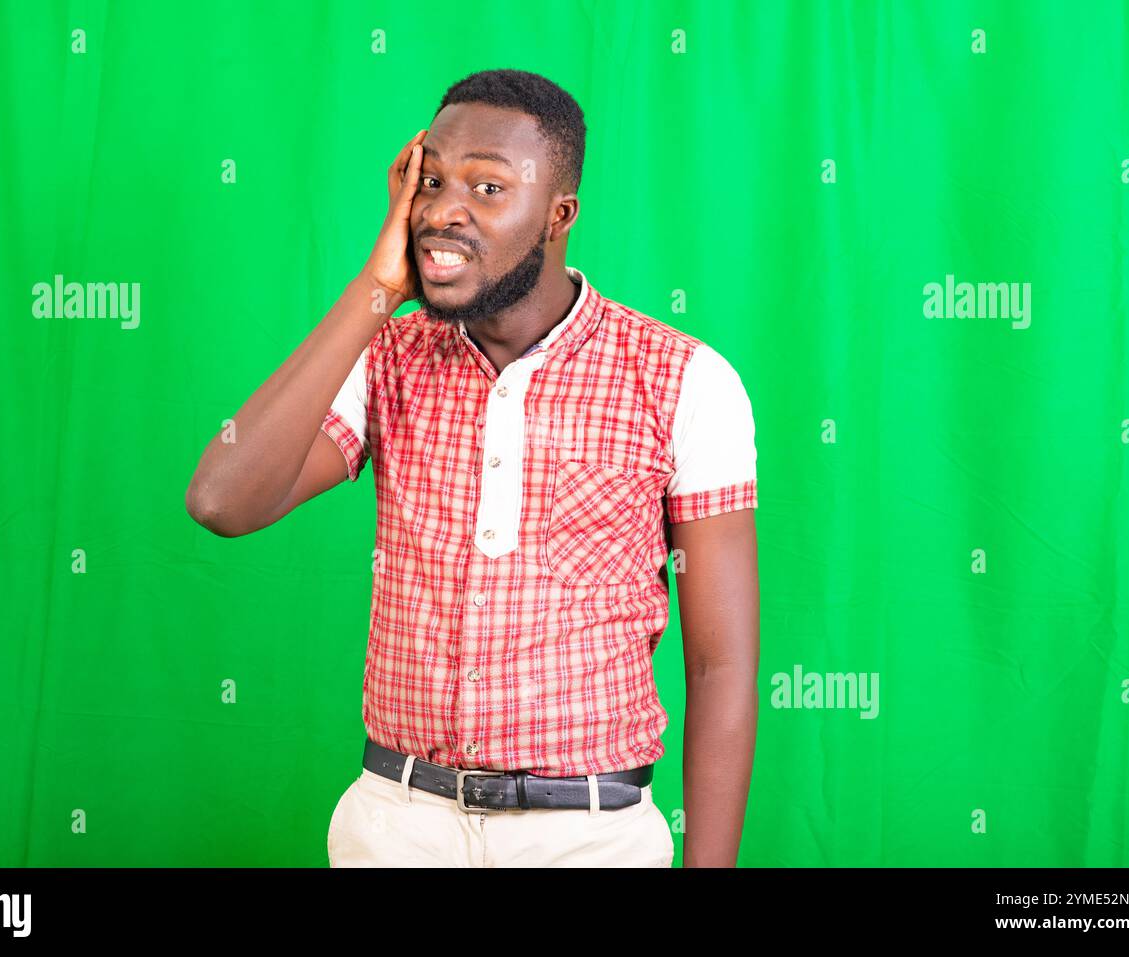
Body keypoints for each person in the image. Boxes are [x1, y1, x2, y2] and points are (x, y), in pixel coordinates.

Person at [185, 68, 760, 867]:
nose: (443, 211)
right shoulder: (384, 355)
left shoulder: (684, 379)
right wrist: (376, 289)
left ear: (559, 216)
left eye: (488, 187)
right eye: (430, 182)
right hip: (396, 823)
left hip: (592, 834)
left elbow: (720, 663)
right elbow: (222, 499)